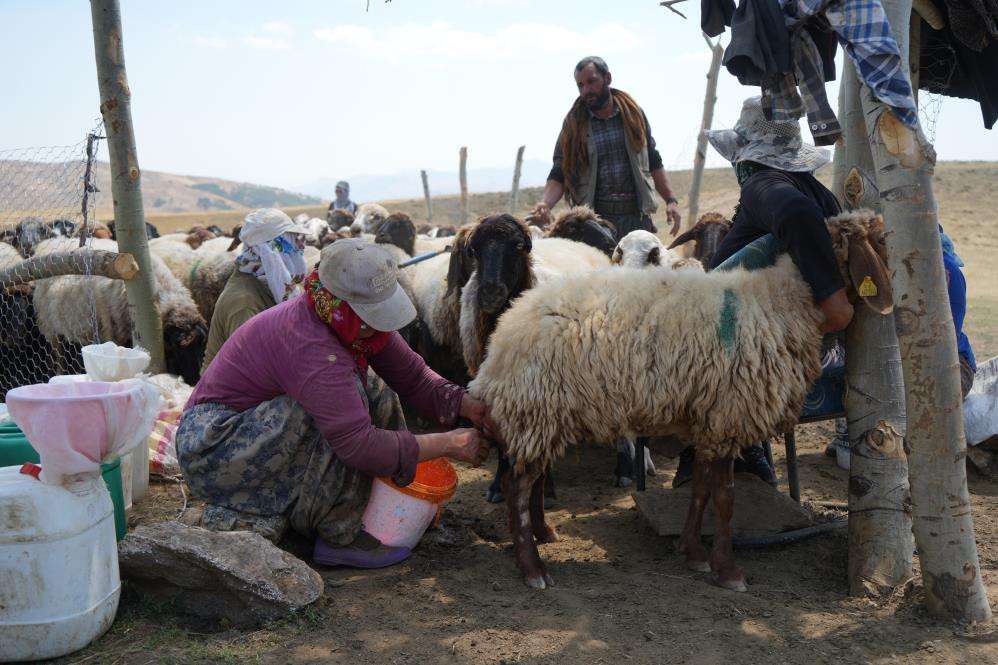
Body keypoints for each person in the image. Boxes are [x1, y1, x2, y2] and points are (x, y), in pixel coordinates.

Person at [176, 239, 490, 568]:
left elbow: (413, 376)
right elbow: (359, 445)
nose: (379, 323)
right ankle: (338, 532)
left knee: (373, 388)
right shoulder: (311, 343)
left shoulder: (351, 324)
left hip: (254, 428)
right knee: (338, 406)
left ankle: (374, 500)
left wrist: (468, 406)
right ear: (344, 305)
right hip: (214, 448)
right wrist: (448, 443)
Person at [674, 95, 853, 487]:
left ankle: (734, 453)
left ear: (747, 155)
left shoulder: (762, 183)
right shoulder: (811, 189)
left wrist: (832, 301)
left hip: (752, 347)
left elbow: (795, 215)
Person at [825, 227, 978, 465]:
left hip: (945, 362)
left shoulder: (946, 272)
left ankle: (913, 447)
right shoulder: (874, 266)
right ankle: (851, 433)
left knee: (920, 388)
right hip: (885, 359)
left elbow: (944, 342)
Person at [531, 56, 682, 240]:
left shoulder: (633, 115)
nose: (586, 90)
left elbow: (653, 159)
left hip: (636, 217)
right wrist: (545, 203)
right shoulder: (574, 125)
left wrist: (671, 201)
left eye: (591, 82)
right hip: (595, 221)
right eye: (580, 85)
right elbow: (560, 171)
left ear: (608, 78)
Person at [201, 208, 310, 373]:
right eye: (291, 242)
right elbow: (249, 368)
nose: (300, 246)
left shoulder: (276, 288)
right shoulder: (244, 302)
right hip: (229, 394)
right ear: (271, 251)